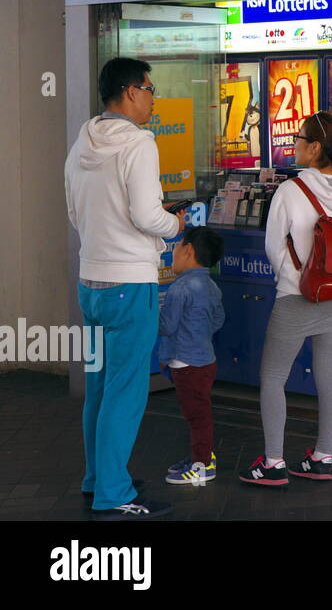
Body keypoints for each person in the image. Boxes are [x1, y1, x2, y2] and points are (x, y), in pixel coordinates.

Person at [65, 57, 186, 520]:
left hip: (91, 285)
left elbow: (74, 212)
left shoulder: (83, 139)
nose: (154, 97)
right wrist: (171, 224)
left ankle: (97, 476)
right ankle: (113, 492)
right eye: (151, 89)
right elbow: (145, 214)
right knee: (126, 389)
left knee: (99, 386)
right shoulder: (138, 144)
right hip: (130, 285)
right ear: (132, 91)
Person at [239, 111, 332, 486]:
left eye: (297, 138)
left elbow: (274, 248)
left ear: (313, 148)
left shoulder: (291, 190)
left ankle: (273, 462)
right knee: (328, 373)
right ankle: (322, 457)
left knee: (273, 376)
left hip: (298, 296)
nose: (292, 144)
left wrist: (293, 281)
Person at [159, 226, 226, 486]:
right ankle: (201, 456)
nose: (172, 252)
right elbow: (219, 319)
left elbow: (166, 326)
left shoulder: (179, 289)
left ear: (188, 250)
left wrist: (148, 310)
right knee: (198, 412)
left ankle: (202, 466)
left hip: (186, 363)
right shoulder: (211, 286)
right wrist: (199, 333)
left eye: (176, 246)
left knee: (197, 417)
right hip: (204, 360)